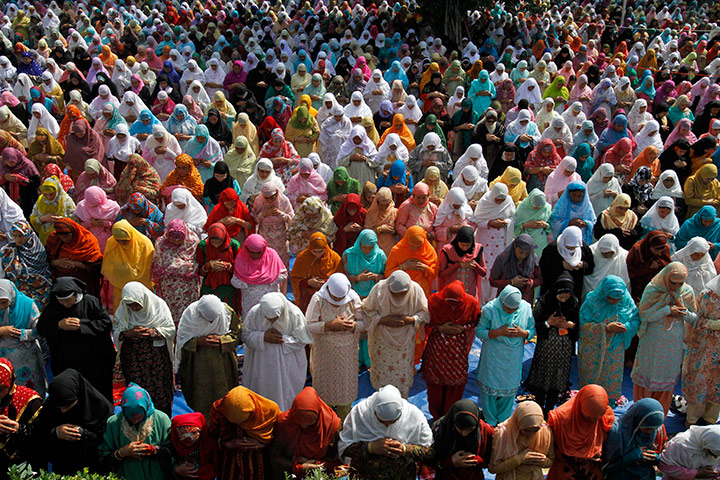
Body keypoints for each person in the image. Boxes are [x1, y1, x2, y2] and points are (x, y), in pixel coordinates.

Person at [632, 262, 697, 414]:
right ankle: (641, 413)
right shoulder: (653, 290)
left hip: (673, 344)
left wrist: (683, 312)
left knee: (666, 377)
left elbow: (694, 319)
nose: (676, 286)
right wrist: (667, 310)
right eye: (673, 282)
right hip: (652, 341)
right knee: (647, 374)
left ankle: (660, 414)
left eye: (680, 283)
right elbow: (644, 315)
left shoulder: (686, 291)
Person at [36, 277, 115, 401]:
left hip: (94, 360)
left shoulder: (91, 302)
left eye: (68, 300)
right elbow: (42, 328)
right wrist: (59, 325)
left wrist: (81, 325)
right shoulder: (53, 307)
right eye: (62, 301)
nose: (65, 305)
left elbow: (105, 325)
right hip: (66, 361)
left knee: (98, 393)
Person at [338, 385, 433, 480]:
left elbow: (429, 451)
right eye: (381, 422)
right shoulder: (359, 414)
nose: (387, 426)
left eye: (392, 422)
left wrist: (404, 449)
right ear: (374, 412)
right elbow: (345, 448)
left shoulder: (414, 416)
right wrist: (370, 447)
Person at [242, 292, 313, 411]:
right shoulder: (255, 313)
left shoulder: (294, 314)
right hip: (261, 365)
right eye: (268, 318)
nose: (271, 320)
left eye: (275, 318)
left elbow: (302, 340)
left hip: (287, 365)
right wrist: (262, 337)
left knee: (285, 398)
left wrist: (283, 340)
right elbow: (246, 335)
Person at [113, 282, 176, 416]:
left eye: (137, 305)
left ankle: (161, 421)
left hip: (157, 360)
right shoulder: (123, 311)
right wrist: (128, 333)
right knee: (137, 391)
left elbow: (170, 330)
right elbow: (117, 330)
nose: (134, 309)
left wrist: (152, 332)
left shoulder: (158, 306)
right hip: (134, 359)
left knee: (160, 392)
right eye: (131, 305)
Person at [475, 285, 535, 426]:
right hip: (493, 355)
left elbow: (532, 329)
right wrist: (498, 332)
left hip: (512, 357)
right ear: (502, 302)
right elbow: (480, 332)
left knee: (508, 390)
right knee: (490, 388)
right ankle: (490, 421)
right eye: (508, 309)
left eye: (514, 309)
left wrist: (523, 333)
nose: (511, 312)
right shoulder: (490, 309)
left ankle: (503, 422)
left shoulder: (525, 308)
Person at [422, 281, 481, 421]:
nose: (453, 307)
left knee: (455, 383)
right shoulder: (435, 301)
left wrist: (463, 328)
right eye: (449, 303)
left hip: (457, 350)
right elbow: (426, 320)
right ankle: (436, 417)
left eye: (457, 303)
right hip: (437, 347)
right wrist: (439, 327)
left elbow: (475, 321)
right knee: (434, 382)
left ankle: (449, 416)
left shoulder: (471, 303)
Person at [175, 294, 240, 417]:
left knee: (224, 399)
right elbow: (181, 340)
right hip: (198, 364)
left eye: (213, 320)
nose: (211, 323)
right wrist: (197, 342)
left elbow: (237, 334)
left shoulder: (227, 312)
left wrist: (222, 340)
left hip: (222, 363)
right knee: (201, 399)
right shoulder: (190, 315)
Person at [38, 369, 114, 474]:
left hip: (93, 469)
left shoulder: (100, 409)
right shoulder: (50, 408)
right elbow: (38, 435)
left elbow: (107, 444)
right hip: (63, 468)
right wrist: (55, 433)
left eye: (67, 406)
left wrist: (85, 435)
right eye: (59, 407)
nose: (63, 411)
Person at [578, 276, 639, 406]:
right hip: (593, 350)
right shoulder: (592, 301)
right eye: (611, 298)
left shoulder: (627, 302)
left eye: (618, 299)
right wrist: (605, 328)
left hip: (615, 348)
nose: (615, 302)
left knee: (610, 381)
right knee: (591, 384)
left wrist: (626, 327)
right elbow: (583, 324)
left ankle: (607, 406)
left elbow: (635, 319)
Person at [526, 272, 578, 414]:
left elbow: (578, 328)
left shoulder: (574, 303)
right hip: (546, 349)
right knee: (542, 379)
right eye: (561, 296)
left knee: (558, 379)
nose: (564, 299)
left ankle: (549, 410)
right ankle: (538, 409)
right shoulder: (543, 303)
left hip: (564, 350)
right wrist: (549, 323)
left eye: (567, 295)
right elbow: (534, 327)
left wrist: (570, 325)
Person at [98, 383, 172, 480]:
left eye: (139, 417)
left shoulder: (161, 419)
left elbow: (173, 452)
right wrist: (122, 453)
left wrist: (154, 450)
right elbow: (104, 459)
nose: (135, 421)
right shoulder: (114, 423)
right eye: (130, 418)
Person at [207, 386, 280, 480]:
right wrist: (228, 444)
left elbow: (280, 438)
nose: (242, 424)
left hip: (261, 462)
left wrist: (262, 445)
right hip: (229, 463)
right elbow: (212, 436)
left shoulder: (269, 410)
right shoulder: (220, 409)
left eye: (246, 419)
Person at [269, 386, 342, 480]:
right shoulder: (284, 424)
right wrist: (298, 468)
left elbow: (340, 460)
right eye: (299, 423)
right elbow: (274, 457)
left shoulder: (331, 426)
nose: (304, 427)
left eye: (310, 424)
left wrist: (316, 464)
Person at [546, 384, 615, 480]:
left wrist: (600, 456)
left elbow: (608, 445)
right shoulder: (560, 420)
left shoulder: (604, 416)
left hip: (592, 472)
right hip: (564, 472)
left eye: (597, 418)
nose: (594, 422)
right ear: (580, 406)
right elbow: (550, 450)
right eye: (589, 417)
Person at [0, 279, 46, 397]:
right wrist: (2, 331)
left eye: (5, 302)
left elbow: (41, 331)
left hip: (27, 360)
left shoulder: (28, 305)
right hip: (3, 366)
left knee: (29, 394)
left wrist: (21, 333)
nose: (3, 307)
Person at [150, 219, 200, 325]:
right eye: (173, 238)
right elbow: (158, 264)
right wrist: (181, 267)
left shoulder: (192, 242)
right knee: (170, 312)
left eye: (179, 239)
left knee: (187, 313)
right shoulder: (161, 244)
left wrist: (173, 267)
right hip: (169, 287)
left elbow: (195, 263)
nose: (176, 242)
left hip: (187, 287)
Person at [601, 398, 666, 480]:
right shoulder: (618, 433)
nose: (650, 432)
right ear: (637, 421)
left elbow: (662, 455)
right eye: (647, 428)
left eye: (654, 429)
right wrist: (633, 455)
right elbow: (607, 467)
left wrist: (655, 458)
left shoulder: (658, 429)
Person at [488, 401, 554, 479]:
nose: (531, 434)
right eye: (526, 430)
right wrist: (519, 459)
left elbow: (551, 460)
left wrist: (541, 460)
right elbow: (493, 468)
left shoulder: (545, 432)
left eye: (535, 430)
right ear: (518, 424)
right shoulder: (502, 435)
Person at [430, 399, 494, 480]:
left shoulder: (486, 432)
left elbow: (492, 460)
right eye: (460, 428)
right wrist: (450, 462)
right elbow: (430, 460)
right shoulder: (441, 429)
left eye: (470, 429)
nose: (464, 433)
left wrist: (479, 461)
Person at [0, 357, 43, 475]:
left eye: (1, 389)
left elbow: (42, 436)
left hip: (24, 466)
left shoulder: (29, 401)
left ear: (11, 382)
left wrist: (19, 429)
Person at [102, 220, 155, 309]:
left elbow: (149, 266)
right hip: (120, 286)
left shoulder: (144, 243)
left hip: (142, 285)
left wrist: (133, 275)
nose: (122, 244)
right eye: (119, 241)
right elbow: (108, 264)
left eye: (125, 241)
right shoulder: (112, 243)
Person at [45, 218, 104, 297]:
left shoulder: (87, 241)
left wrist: (75, 264)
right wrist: (57, 263)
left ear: (73, 231)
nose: (64, 238)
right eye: (61, 235)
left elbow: (96, 265)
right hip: (61, 283)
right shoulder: (54, 239)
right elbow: (45, 260)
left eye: (67, 235)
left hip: (84, 284)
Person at [231, 234, 288, 316]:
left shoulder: (272, 255)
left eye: (259, 252)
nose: (256, 255)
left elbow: (283, 274)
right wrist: (248, 284)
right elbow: (235, 281)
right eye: (252, 252)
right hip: (250, 302)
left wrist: (268, 280)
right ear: (247, 249)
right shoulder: (242, 258)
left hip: (270, 298)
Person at [1, 221, 52, 308]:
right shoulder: (7, 251)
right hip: (18, 291)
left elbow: (43, 271)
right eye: (14, 236)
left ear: (28, 234)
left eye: (21, 236)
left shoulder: (38, 251)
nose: (17, 239)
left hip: (40, 290)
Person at [290, 232, 342, 313]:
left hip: (328, 297)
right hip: (308, 298)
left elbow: (340, 279)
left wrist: (325, 282)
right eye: (314, 251)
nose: (317, 255)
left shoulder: (334, 258)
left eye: (321, 251)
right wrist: (308, 282)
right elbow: (295, 279)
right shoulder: (302, 258)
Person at [489, 234, 542, 304]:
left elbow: (540, 279)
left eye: (527, 253)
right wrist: (511, 282)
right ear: (515, 246)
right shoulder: (503, 259)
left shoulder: (533, 260)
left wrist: (530, 283)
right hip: (505, 301)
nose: (523, 256)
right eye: (521, 252)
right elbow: (492, 281)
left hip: (525, 301)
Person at [626, 230, 672, 302]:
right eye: (656, 249)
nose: (659, 253)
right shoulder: (638, 250)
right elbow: (631, 270)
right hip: (639, 287)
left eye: (661, 249)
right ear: (649, 245)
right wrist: (648, 266)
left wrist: (659, 263)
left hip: (658, 286)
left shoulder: (665, 248)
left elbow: (668, 266)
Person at [30, 176, 77, 244]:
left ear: (57, 191)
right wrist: (44, 218)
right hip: (45, 239)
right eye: (45, 194)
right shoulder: (41, 201)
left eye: (51, 194)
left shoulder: (66, 201)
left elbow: (74, 219)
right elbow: (33, 217)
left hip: (62, 240)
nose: (48, 197)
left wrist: (59, 219)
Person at [169, 413, 217, 480]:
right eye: (183, 434)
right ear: (175, 434)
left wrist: (200, 471)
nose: (189, 438)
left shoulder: (208, 444)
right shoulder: (172, 445)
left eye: (193, 433)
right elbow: (164, 464)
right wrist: (176, 470)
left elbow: (217, 465)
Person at [549, 181, 597, 245]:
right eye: (574, 195)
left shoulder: (587, 206)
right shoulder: (561, 206)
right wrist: (569, 223)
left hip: (582, 241)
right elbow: (554, 223)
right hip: (566, 242)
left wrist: (586, 223)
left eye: (579, 196)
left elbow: (594, 223)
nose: (576, 198)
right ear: (569, 194)